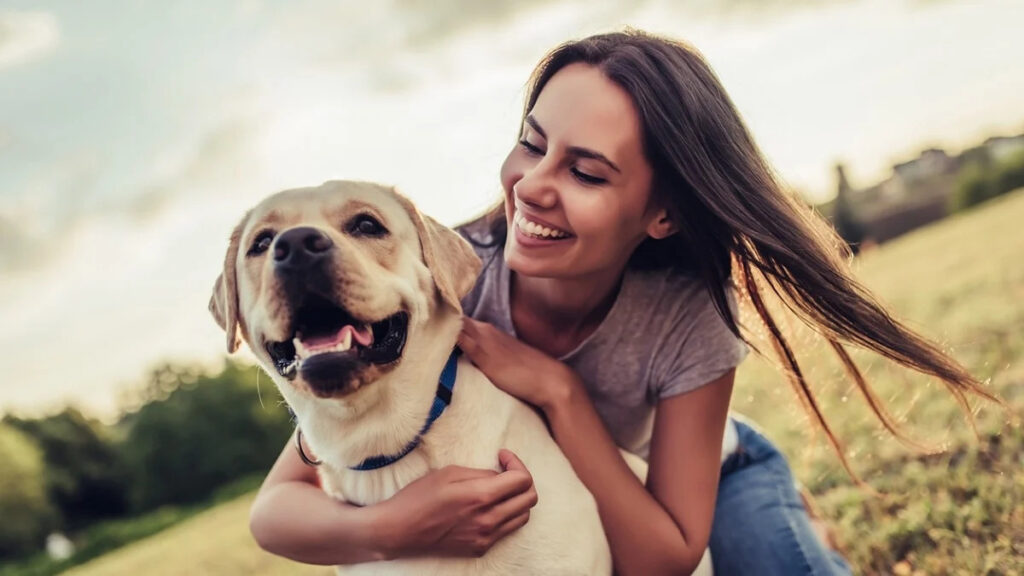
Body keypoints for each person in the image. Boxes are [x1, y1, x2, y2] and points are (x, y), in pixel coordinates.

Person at [248, 30, 995, 575]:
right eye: (531, 143)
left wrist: (560, 392)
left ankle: (798, 524)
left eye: (587, 172)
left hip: (705, 481)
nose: (533, 186)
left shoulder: (687, 313)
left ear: (661, 213)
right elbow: (278, 505)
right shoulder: (442, 282)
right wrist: (387, 528)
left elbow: (663, 557)